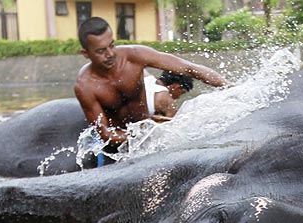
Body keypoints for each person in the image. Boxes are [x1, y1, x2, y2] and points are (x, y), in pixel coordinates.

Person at [74, 16, 226, 150]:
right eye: (101, 51)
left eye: (112, 45)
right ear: (86, 54)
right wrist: (143, 135)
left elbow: (190, 68)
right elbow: (106, 134)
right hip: (119, 146)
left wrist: (230, 87)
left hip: (147, 130)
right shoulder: (85, 86)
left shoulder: (134, 55)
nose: (110, 54)